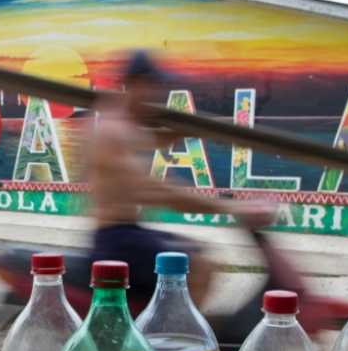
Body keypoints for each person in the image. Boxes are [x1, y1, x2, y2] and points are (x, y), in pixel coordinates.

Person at [87, 51, 276, 306]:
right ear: (136, 84)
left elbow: (151, 139)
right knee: (198, 268)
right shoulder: (112, 130)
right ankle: (173, 329)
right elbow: (157, 192)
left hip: (128, 233)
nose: (157, 94)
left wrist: (184, 132)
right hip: (116, 240)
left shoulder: (124, 123)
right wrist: (233, 207)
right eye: (152, 86)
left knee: (199, 251)